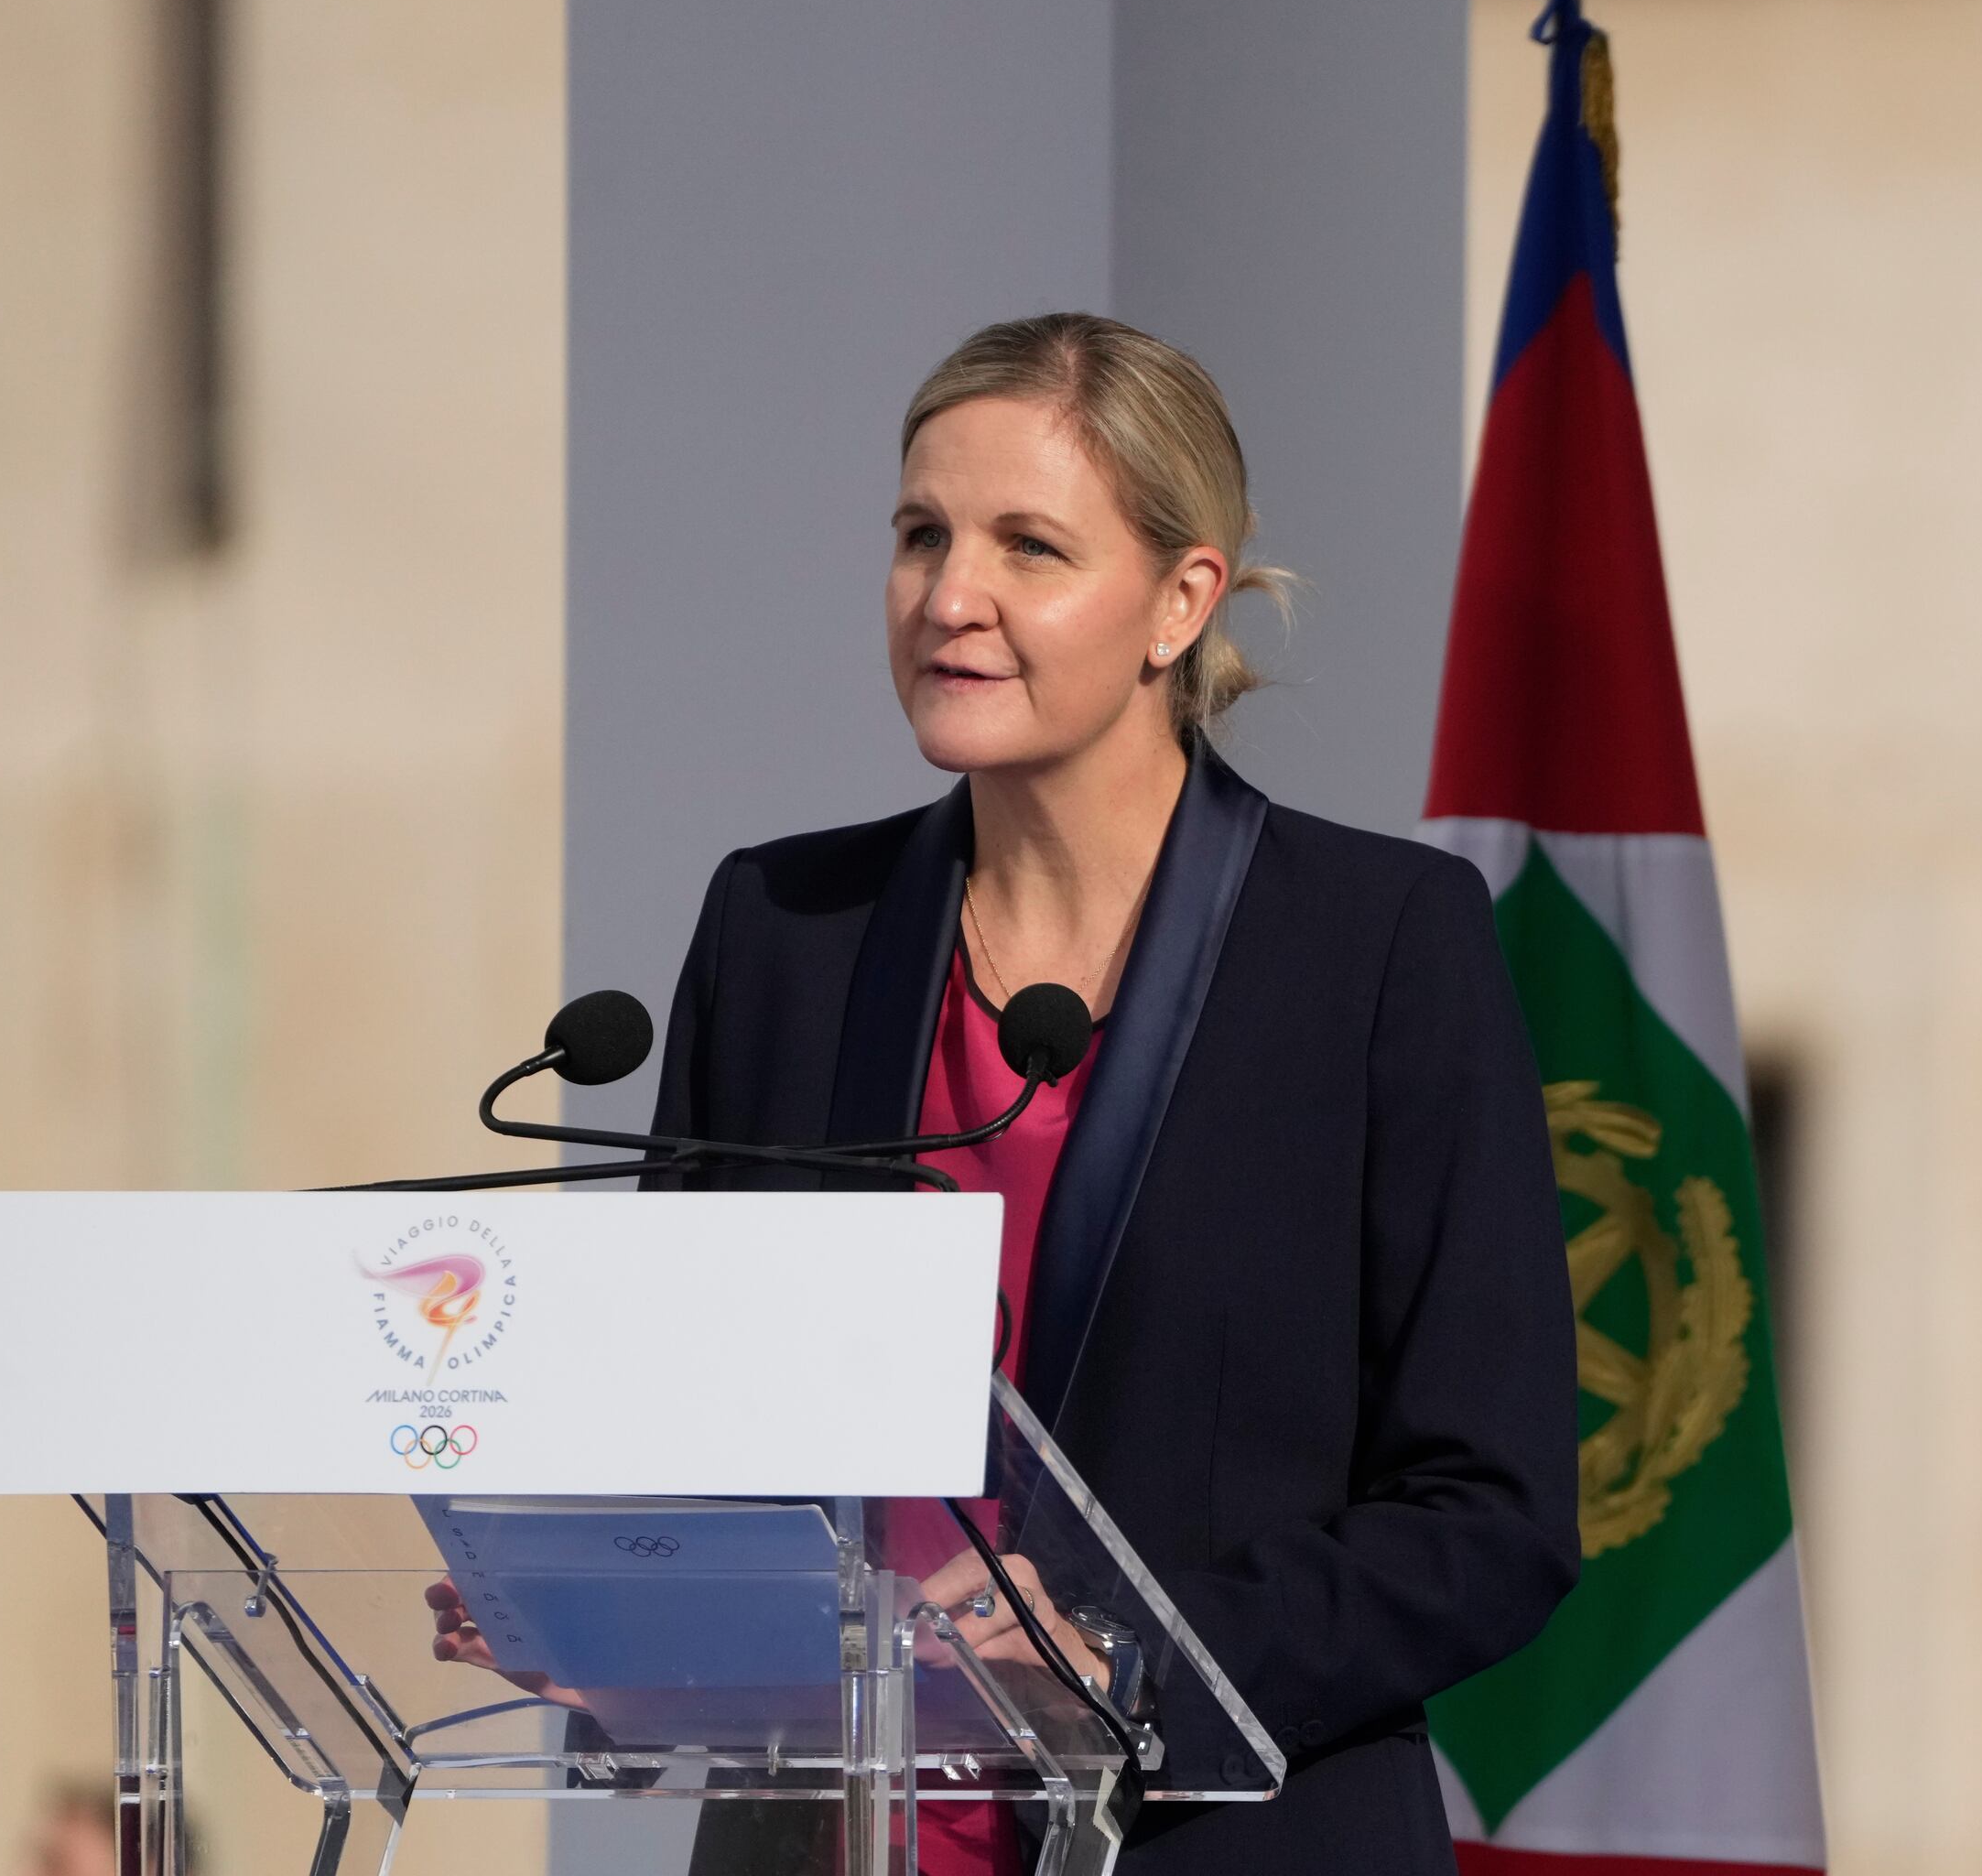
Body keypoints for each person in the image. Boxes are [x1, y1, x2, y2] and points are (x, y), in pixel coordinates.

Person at [642, 313, 1579, 1872]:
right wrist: (614, 1602)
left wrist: (1123, 1652)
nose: (951, 596)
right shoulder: (783, 932)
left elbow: (1490, 1515)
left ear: (1181, 601)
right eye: (922, 535)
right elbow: (688, 1408)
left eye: (1030, 546)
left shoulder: (1377, 949)